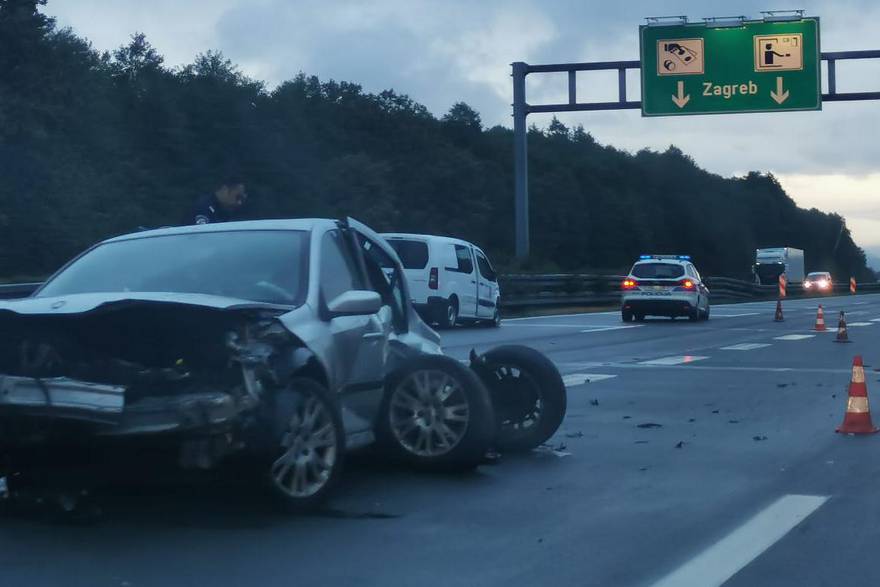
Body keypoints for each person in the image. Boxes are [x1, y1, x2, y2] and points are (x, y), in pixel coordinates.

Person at [183, 176, 248, 225]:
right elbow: (203, 236)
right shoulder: (203, 208)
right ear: (225, 190)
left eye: (242, 199)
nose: (239, 203)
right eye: (237, 197)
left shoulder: (226, 210)